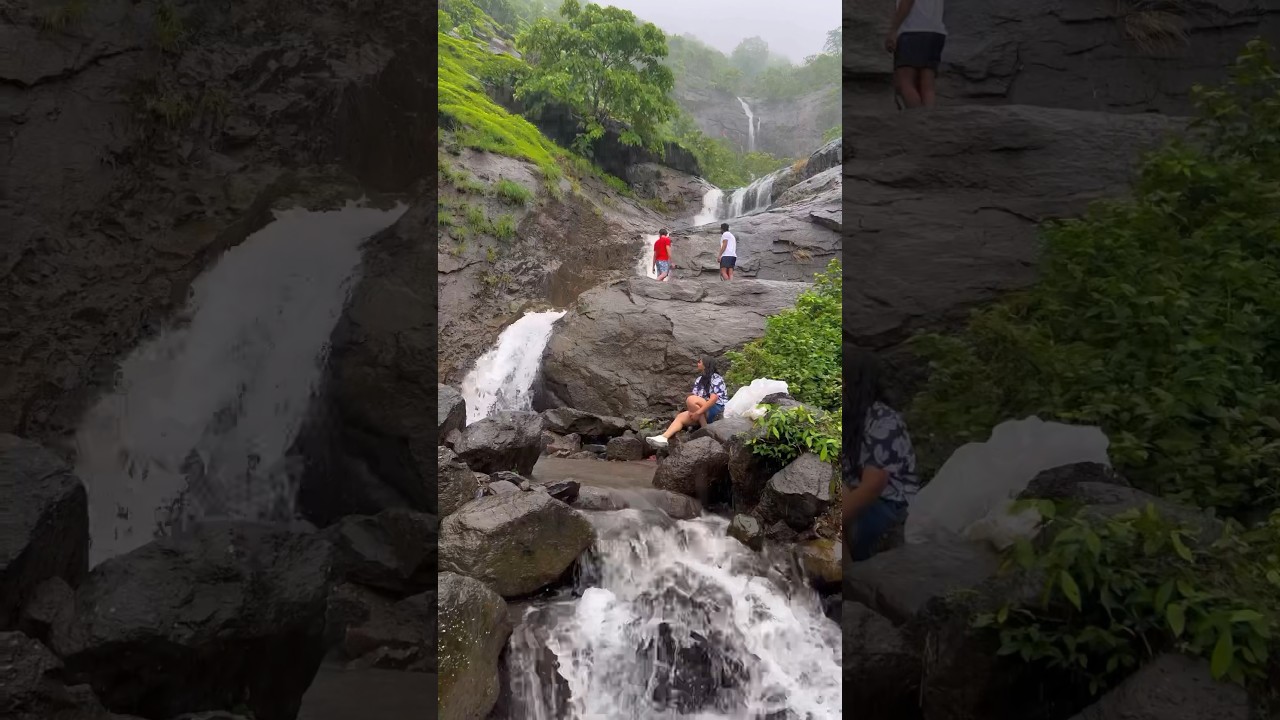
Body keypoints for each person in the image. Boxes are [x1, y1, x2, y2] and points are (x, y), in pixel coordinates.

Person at [842, 350, 920, 561]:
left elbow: (873, 486)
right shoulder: (850, 416)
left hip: (891, 508)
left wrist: (834, 521)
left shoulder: (883, 420)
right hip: (857, 499)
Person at [645, 356, 727, 448]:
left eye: (700, 362)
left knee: (691, 399)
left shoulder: (716, 378)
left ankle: (704, 428)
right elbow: (695, 397)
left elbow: (713, 399)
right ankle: (664, 437)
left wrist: (697, 412)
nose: (698, 364)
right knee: (680, 417)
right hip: (702, 412)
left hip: (715, 409)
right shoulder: (699, 379)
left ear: (706, 364)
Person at [883, 0, 947, 109]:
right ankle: (929, 120)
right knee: (927, 84)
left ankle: (918, 121)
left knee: (905, 82)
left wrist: (893, 30)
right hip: (936, 31)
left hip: (913, 30)